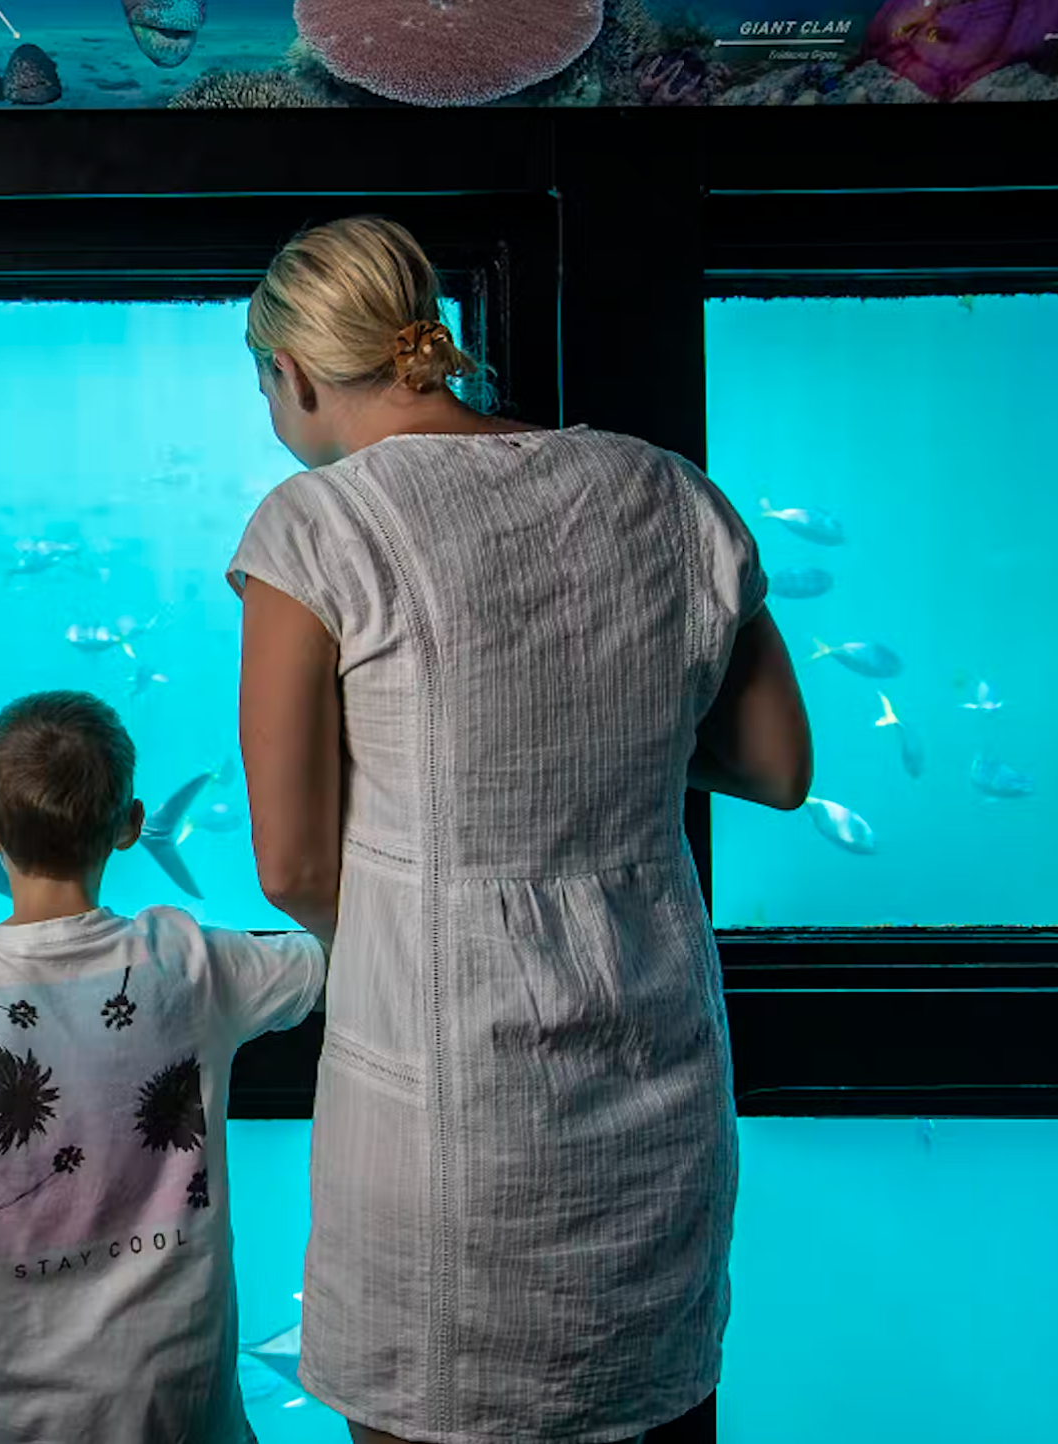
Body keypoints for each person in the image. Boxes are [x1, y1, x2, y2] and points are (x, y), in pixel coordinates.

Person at [230, 216, 812, 1444]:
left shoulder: (316, 525)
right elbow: (774, 768)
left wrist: (410, 915)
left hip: (444, 1120)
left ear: (286, 372)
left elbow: (289, 861)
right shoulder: (667, 490)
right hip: (655, 1103)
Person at [0, 690, 327, 1444]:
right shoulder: (190, 958)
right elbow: (328, 962)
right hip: (183, 1401)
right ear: (132, 827)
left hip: (22, 1412)